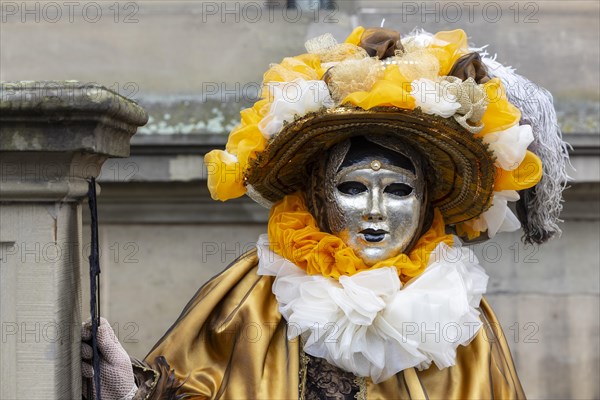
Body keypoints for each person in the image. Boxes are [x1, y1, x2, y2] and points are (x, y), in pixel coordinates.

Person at [81, 26, 569, 399]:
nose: (375, 211)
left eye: (399, 190)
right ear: (317, 194)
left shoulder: (459, 315)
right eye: (353, 188)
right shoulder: (255, 297)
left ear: (426, 204)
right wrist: (126, 389)